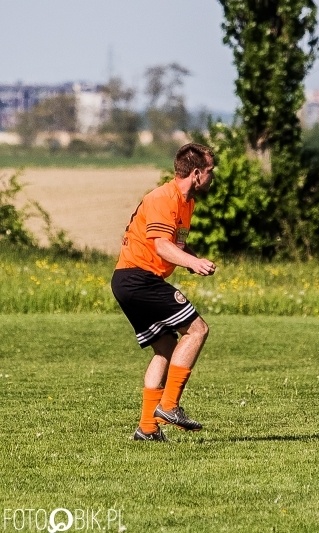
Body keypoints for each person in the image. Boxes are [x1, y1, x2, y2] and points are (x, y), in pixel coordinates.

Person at [111, 143, 217, 442]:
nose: (212, 177)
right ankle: (169, 406)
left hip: (132, 280)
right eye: (210, 172)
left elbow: (176, 245)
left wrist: (191, 258)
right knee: (197, 330)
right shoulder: (163, 198)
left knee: (166, 347)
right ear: (196, 173)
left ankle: (147, 427)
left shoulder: (187, 204)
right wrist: (193, 262)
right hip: (138, 278)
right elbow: (160, 245)